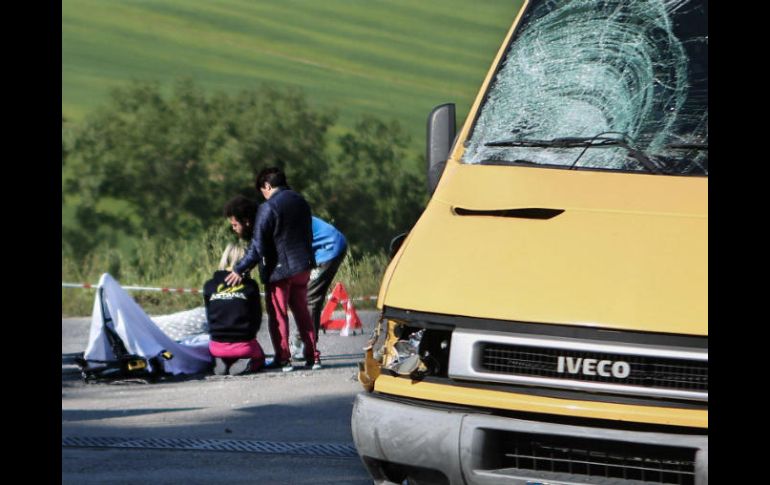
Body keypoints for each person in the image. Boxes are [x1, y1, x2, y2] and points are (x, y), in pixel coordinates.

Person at [225, 167, 320, 372]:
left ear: (267, 186)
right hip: (303, 265)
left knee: (278, 315)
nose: (264, 196)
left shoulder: (268, 208)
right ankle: (313, 357)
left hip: (280, 270)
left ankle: (283, 358)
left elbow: (258, 247)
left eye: (263, 191)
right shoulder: (301, 201)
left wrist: (239, 268)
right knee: (302, 311)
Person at [204, 243, 266, 375]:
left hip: (216, 345)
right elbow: (257, 317)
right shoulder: (250, 285)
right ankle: (244, 361)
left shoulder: (209, 285)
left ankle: (222, 361)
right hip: (244, 345)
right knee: (261, 357)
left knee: (221, 346)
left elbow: (209, 316)